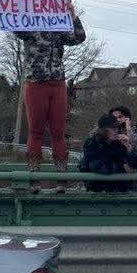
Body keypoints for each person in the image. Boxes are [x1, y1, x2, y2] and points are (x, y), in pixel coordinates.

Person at [17, 13, 88, 179]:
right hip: (35, 82)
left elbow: (79, 37)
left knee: (58, 132)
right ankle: (34, 176)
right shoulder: (30, 24)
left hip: (57, 82)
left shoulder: (59, 25)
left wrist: (73, 16)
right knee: (36, 131)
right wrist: (1, 11)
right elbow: (13, 26)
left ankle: (61, 177)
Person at [82, 113, 137, 192]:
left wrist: (128, 147)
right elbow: (98, 167)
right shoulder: (92, 143)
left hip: (121, 190)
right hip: (98, 190)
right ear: (103, 130)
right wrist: (123, 167)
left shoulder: (119, 142)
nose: (116, 131)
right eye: (113, 128)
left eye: (117, 128)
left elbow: (136, 164)